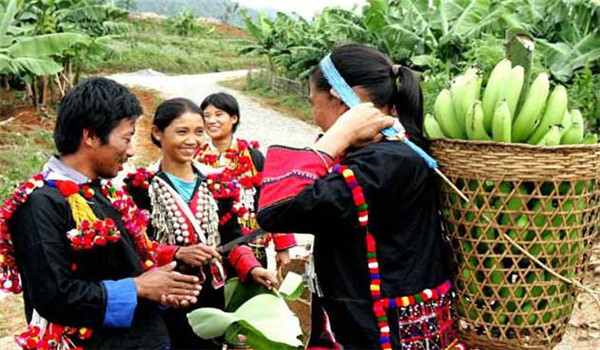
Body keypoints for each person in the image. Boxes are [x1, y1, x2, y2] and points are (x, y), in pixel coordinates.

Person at [257, 44, 463, 350]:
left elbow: (277, 209)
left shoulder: (380, 164)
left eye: (314, 103)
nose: (315, 118)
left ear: (337, 99)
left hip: (379, 333)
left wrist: (339, 134)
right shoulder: (398, 150)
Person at [1, 78, 208, 350]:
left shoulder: (104, 193)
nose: (132, 150)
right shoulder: (40, 205)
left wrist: (163, 286)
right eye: (126, 138)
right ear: (90, 136)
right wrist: (138, 288)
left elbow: (123, 266)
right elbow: (53, 296)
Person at [124, 97, 278, 350]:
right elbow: (136, 245)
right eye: (181, 132)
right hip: (165, 295)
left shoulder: (218, 184)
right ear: (157, 133)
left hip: (210, 294)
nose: (192, 141)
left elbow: (231, 239)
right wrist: (177, 253)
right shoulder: (141, 187)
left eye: (198, 132)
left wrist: (252, 269)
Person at [194, 92, 296, 268]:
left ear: (234, 118)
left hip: (250, 243)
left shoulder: (253, 157)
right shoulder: (195, 158)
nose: (211, 121)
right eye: (206, 116)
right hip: (208, 247)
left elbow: (272, 199)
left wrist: (283, 247)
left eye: (219, 114)